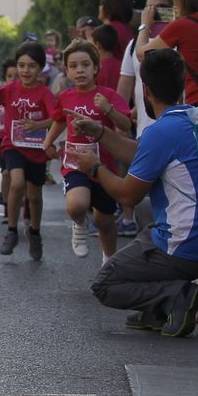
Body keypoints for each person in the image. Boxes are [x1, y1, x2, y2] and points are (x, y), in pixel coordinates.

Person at [72, 49, 198, 337]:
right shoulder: (195, 119)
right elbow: (143, 154)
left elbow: (127, 195)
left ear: (145, 89)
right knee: (144, 214)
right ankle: (155, 310)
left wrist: (95, 168)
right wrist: (101, 133)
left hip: (188, 245)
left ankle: (174, 296)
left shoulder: (162, 132)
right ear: (181, 86)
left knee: (105, 284)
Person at [45, 39, 131, 262]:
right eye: (73, 66)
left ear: (95, 68)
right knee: (77, 205)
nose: (79, 70)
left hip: (102, 166)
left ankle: (108, 261)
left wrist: (108, 109)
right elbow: (59, 120)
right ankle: (80, 223)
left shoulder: (107, 95)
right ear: (67, 70)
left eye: (85, 65)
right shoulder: (65, 96)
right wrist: (48, 142)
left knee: (105, 221)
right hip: (74, 162)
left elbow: (126, 125)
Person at [0, 40, 55, 259]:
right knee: (16, 183)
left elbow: (56, 118)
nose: (26, 70)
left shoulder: (44, 93)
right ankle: (12, 231)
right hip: (13, 146)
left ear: (40, 68)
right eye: (22, 65)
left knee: (34, 196)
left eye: (32, 66)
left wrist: (38, 126)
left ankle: (34, 233)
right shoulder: (9, 90)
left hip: (36, 149)